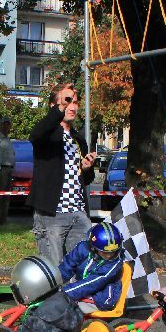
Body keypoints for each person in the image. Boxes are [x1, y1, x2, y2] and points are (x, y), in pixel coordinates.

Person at [27, 82, 97, 265]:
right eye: (66, 101)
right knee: (54, 271)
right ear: (54, 106)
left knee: (81, 267)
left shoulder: (79, 139)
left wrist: (87, 169)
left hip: (78, 212)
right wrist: (59, 108)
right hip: (52, 214)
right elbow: (35, 135)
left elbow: (85, 179)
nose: (72, 106)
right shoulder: (47, 134)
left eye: (74, 102)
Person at [58, 221, 125, 313]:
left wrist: (63, 294)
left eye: (112, 252)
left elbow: (91, 283)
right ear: (93, 247)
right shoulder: (82, 248)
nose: (109, 256)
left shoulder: (115, 264)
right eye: (105, 252)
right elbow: (66, 267)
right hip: (81, 285)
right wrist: (52, 284)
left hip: (101, 296)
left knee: (63, 309)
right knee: (52, 297)